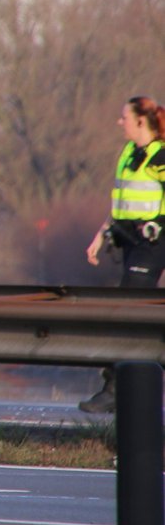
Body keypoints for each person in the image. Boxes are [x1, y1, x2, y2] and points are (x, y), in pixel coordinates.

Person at [78, 95, 165, 413]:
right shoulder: (129, 153)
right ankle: (136, 380)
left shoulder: (160, 156)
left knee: (129, 307)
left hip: (153, 243)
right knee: (138, 311)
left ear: (141, 121)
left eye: (124, 117)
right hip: (129, 241)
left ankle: (115, 387)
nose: (119, 122)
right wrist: (101, 235)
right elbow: (121, 203)